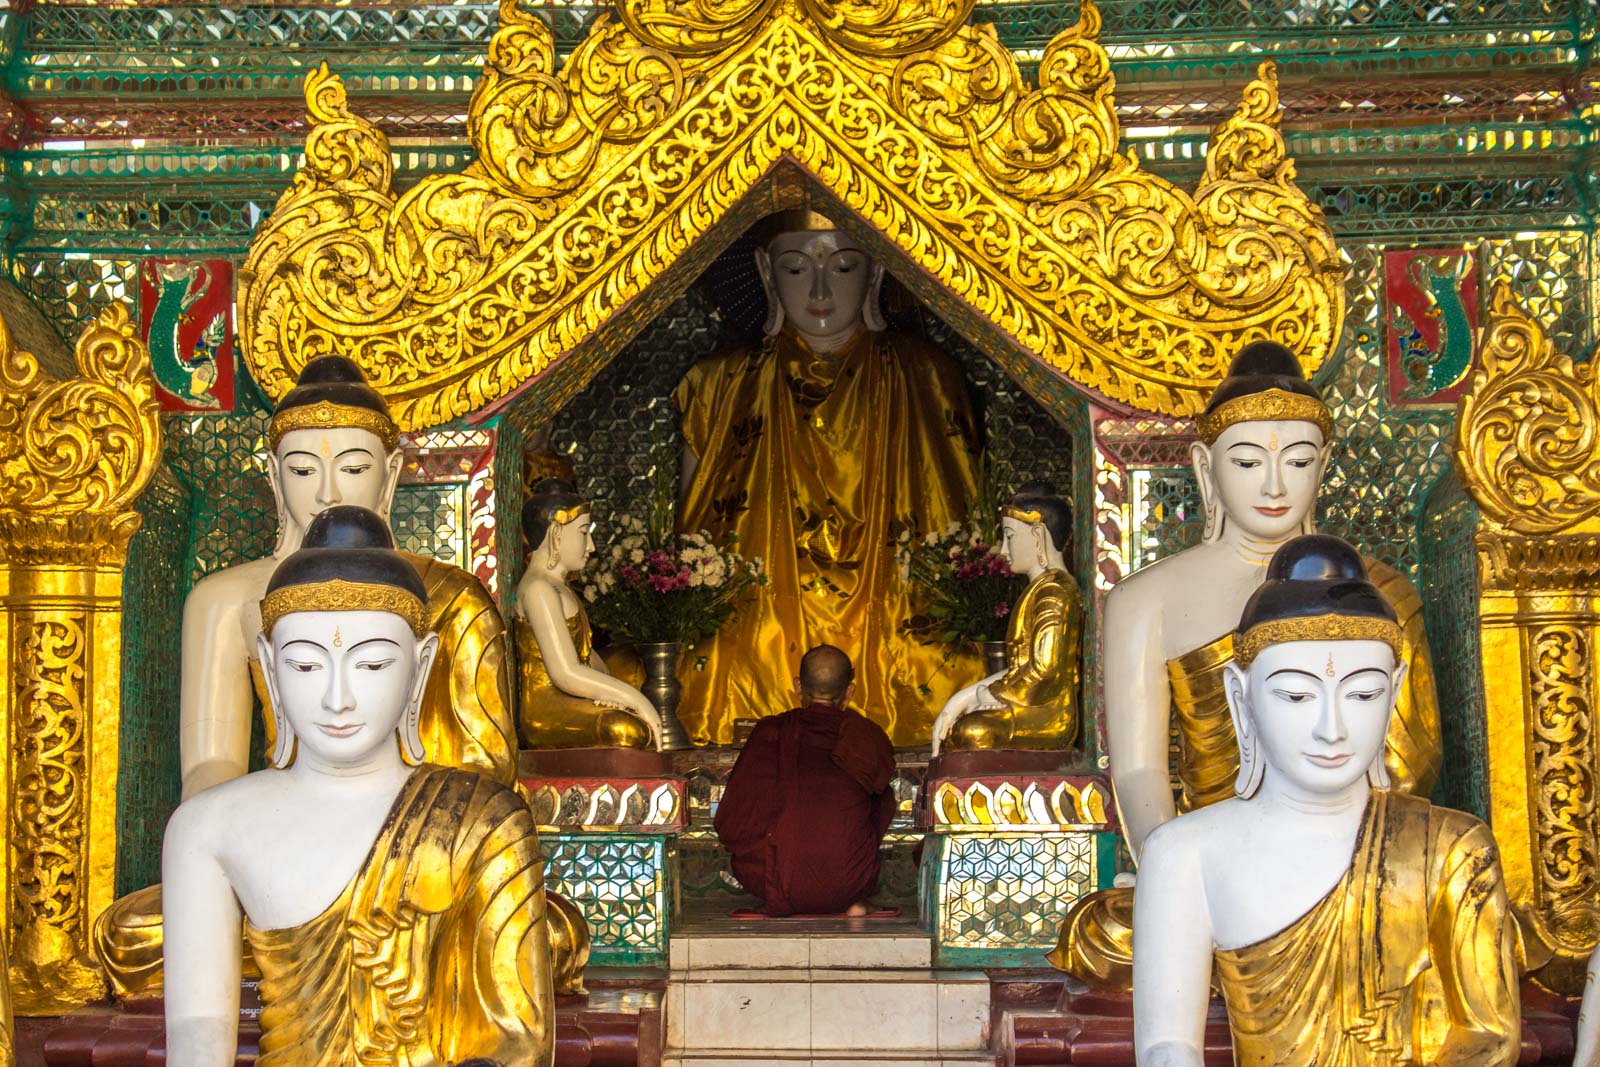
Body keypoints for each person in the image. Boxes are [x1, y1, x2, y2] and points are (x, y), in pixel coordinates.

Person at [1051, 341, 1443, 988]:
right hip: (1220, 859)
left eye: (1297, 460)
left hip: (1354, 859)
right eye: (1247, 460)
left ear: (1324, 465)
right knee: (1101, 931)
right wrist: (1177, 878)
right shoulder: (1145, 600)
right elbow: (1143, 770)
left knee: (1441, 901)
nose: (1273, 484)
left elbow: (1408, 764)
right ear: (1205, 467)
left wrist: (1334, 857)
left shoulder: (1379, 593)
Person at [162, 507, 554, 1067]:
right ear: (269, 669)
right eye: (305, 666)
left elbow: (517, 1037)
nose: (337, 698)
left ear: (420, 669)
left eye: (371, 665)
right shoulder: (205, 826)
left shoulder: (485, 819)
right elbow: (199, 1028)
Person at [1132, 535, 1519, 1067]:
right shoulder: (1183, 852)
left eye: (1363, 694)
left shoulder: (1451, 849)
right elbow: (1166, 1045)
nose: (1331, 729)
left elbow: (1487, 1037)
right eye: (1296, 695)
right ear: (1239, 697)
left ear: (1396, 688)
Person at [675, 211, 979, 745]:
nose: (819, 289)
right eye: (795, 269)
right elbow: (690, 525)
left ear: (877, 273)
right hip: (762, 602)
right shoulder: (716, 381)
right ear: (767, 273)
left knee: (944, 659)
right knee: (717, 651)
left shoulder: (927, 375)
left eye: (842, 267)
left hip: (894, 600)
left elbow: (962, 515)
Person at [714, 645, 897, 916]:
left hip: (774, 881)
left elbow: (730, 820)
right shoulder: (867, 736)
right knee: (881, 799)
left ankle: (780, 890)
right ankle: (851, 899)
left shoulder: (770, 732)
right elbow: (882, 810)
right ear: (849, 691)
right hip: (850, 880)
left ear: (798, 687)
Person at [931, 483, 1082, 753]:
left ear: (1038, 535)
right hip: (1025, 704)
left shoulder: (1056, 591)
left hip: (1047, 715)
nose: (1002, 550)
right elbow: (1020, 666)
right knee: (959, 728)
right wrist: (964, 697)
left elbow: (1045, 672)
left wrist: (993, 694)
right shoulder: (1039, 589)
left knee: (972, 731)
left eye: (1009, 536)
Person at [514, 477, 661, 748]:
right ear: (556, 535)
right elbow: (565, 672)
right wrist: (635, 699)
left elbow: (586, 655)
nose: (591, 546)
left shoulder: (560, 587)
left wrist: (616, 694)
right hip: (546, 711)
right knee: (626, 730)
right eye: (584, 533)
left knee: (632, 720)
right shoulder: (538, 588)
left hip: (573, 699)